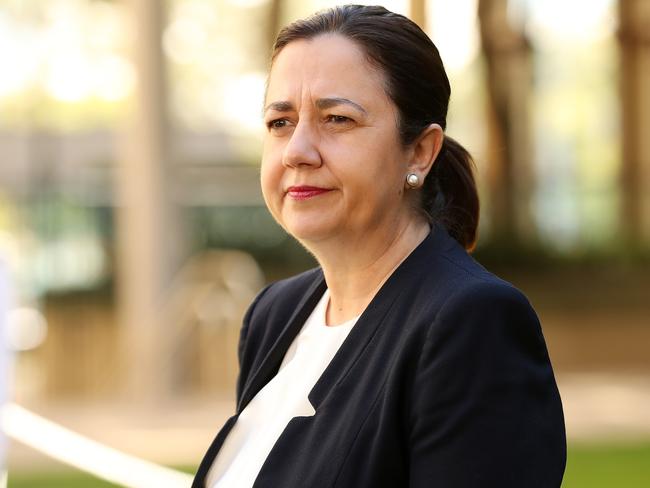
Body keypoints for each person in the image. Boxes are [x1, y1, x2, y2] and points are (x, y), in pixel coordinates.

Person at [192, 5, 566, 487]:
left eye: (337, 119)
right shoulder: (273, 315)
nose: (298, 151)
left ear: (419, 151)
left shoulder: (471, 323)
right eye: (280, 122)